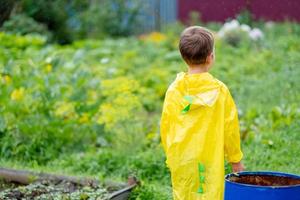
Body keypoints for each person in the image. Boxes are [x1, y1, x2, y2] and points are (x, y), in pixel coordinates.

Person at [160, 26, 245, 200]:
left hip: (181, 159)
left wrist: (170, 157)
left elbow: (166, 127)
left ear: (184, 57)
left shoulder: (174, 90)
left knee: (184, 194)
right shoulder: (220, 91)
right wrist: (235, 160)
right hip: (210, 161)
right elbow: (230, 129)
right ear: (210, 57)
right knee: (211, 194)